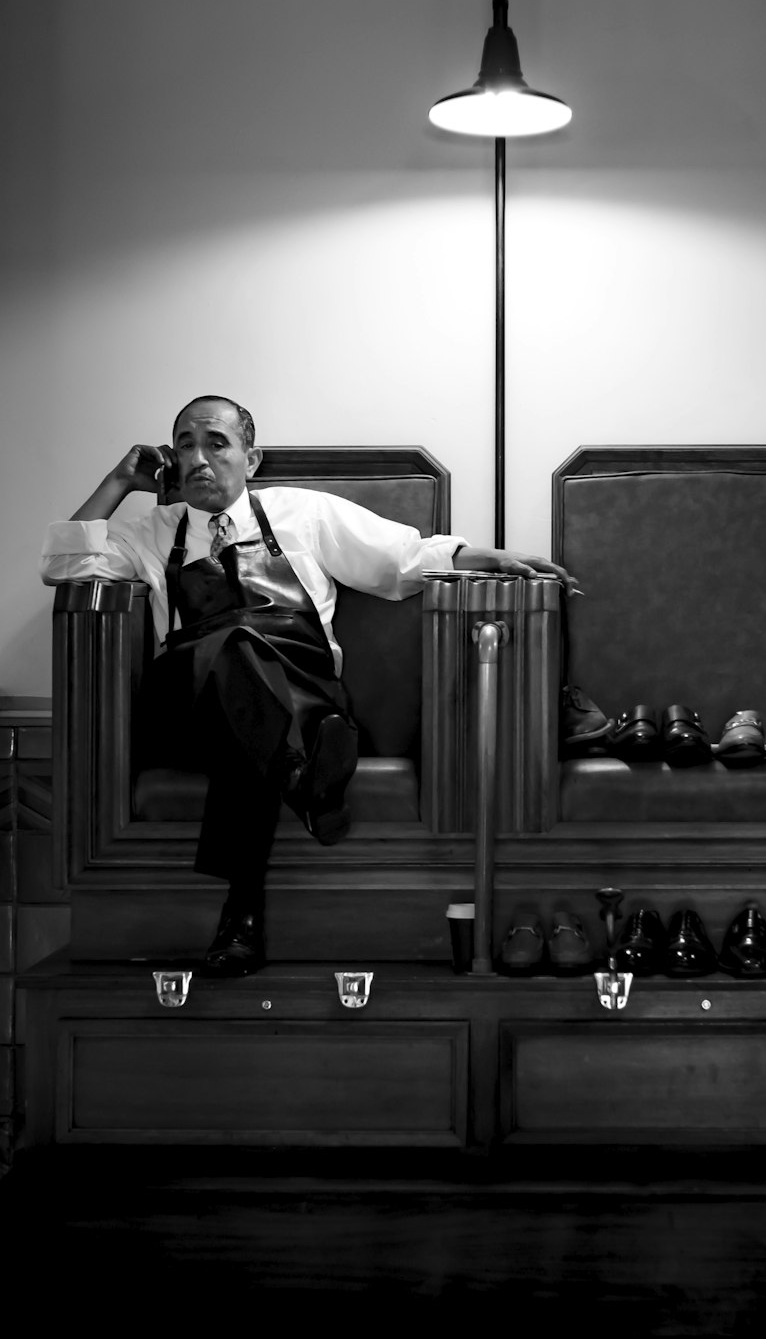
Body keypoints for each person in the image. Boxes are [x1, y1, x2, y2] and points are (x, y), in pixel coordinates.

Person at [41, 394, 577, 975]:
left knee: (248, 708)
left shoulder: (303, 513)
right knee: (233, 645)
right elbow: (63, 564)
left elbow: (399, 560)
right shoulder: (154, 532)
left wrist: (492, 557)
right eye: (186, 445)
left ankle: (243, 907)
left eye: (216, 443)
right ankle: (304, 774)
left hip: (297, 692)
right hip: (194, 707)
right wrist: (121, 480)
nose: (199, 458)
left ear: (252, 458)